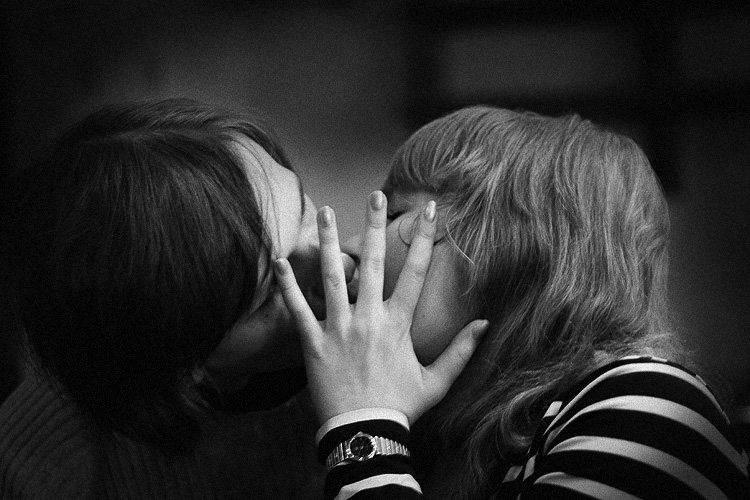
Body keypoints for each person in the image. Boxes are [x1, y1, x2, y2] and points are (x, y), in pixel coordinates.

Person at [277, 106, 750, 498]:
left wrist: (365, 430)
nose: (351, 250)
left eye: (395, 211)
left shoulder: (647, 405)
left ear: (507, 241)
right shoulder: (463, 447)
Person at [0, 98, 356, 499]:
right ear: (181, 365)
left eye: (304, 211)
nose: (340, 266)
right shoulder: (39, 463)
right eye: (274, 289)